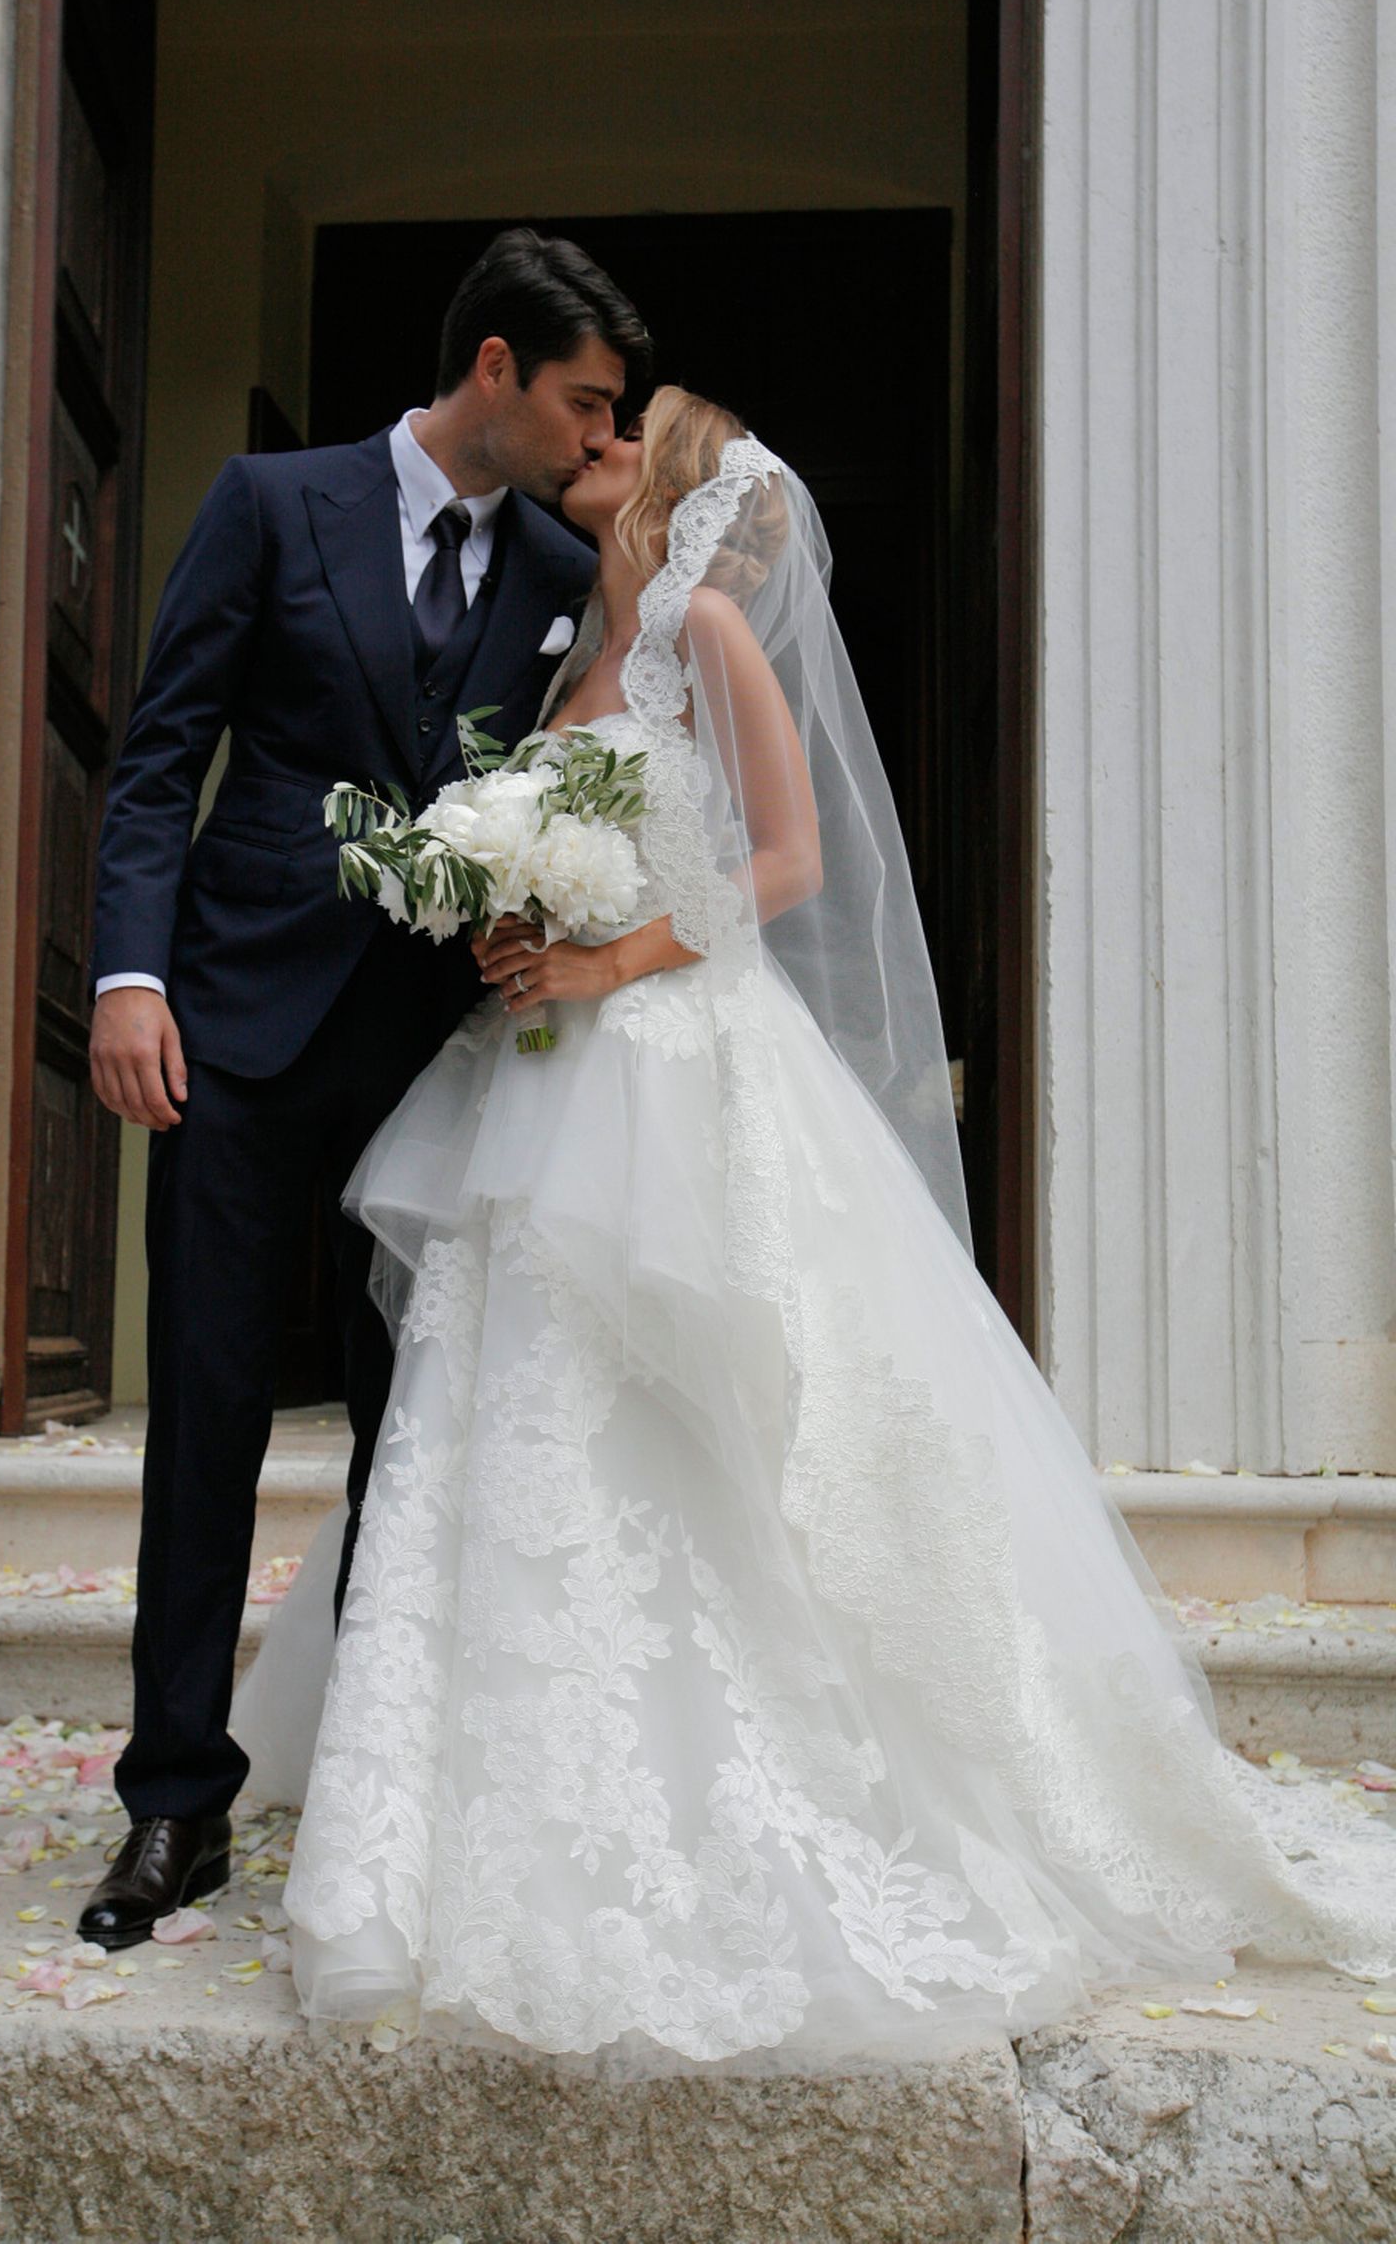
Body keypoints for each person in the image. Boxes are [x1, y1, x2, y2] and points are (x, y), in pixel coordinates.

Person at [233, 386, 1396, 2068]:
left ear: (676, 490)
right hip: (543, 1074)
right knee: (515, 1409)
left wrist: (608, 957)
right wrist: (512, 910)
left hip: (676, 1068)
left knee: (705, 1408)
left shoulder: (705, 632)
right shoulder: (571, 650)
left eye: (624, 434)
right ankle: (458, 1804)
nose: (592, 444)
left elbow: (783, 863)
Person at [77, 230, 650, 1951]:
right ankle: (176, 1803)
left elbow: (569, 787)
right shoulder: (273, 503)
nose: (597, 436)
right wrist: (128, 977)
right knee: (208, 1416)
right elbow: (161, 753)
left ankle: (391, 1796)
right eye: (583, 402)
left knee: (419, 1431)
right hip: (233, 1033)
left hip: (435, 1064)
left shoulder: (560, 567)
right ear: (494, 368)